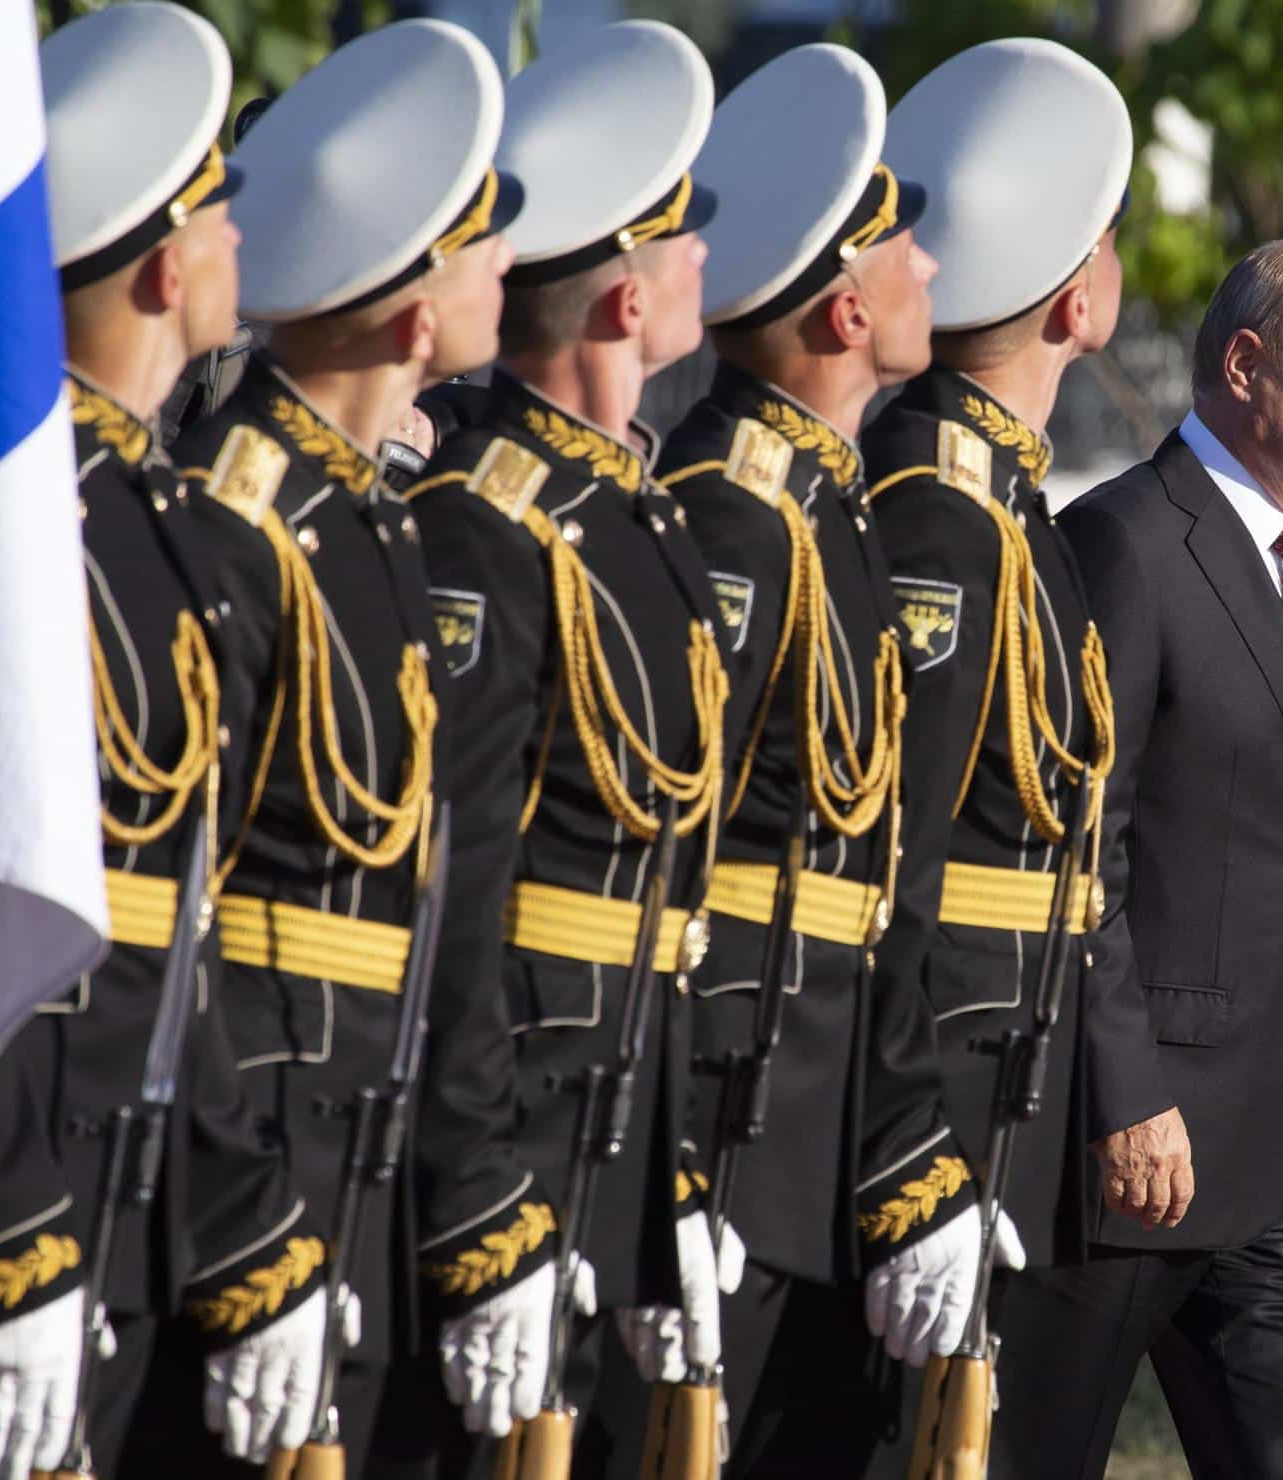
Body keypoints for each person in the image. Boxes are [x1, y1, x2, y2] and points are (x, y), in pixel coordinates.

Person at [0, 10, 334, 1479]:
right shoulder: (23, 525)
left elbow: (174, 915)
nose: (245, 247)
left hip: (121, 1203)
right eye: (219, 217)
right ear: (166, 266)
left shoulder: (150, 518)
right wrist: (9, 1235)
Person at [583, 43, 993, 1478]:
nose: (932, 269)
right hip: (733, 1115)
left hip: (815, 1115)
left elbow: (868, 880)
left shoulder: (826, 509)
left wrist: (900, 1150)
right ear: (842, 306)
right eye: (900, 252)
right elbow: (664, 874)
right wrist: (668, 1166)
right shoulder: (733, 521)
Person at [147, 19, 520, 1473]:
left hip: (362, 1161)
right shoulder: (242, 534)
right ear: (420, 318)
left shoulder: (365, 523)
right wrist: (248, 1239)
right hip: (250, 1170)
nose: (513, 271)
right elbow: (182, 920)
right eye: (482, 247)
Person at [368, 22, 730, 1477]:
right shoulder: (491, 529)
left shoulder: (634, 514)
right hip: (514, 1125)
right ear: (629, 296)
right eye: (691, 240)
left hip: (622, 1119)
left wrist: (673, 1176)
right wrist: (480, 1203)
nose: (718, 260)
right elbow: (458, 898)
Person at [1023, 237, 1283, 1479]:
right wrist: (1124, 1094)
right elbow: (1076, 852)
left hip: (1274, 1161)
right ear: (1247, 365)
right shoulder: (1122, 547)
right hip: (1116, 1162)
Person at [855, 38, 1139, 1473]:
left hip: (1009, 1062)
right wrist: (913, 1152)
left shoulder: (1002, 505)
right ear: (1082, 295)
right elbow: (889, 862)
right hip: (944, 1076)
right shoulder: (941, 519)